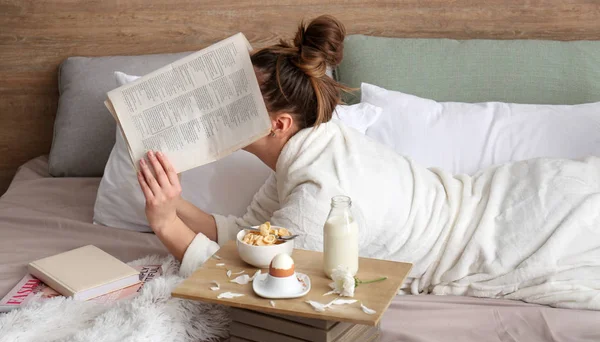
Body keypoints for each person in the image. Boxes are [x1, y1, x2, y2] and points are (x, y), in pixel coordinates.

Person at [136, 15, 600, 309]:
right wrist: (174, 204)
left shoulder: (322, 193)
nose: (217, 112)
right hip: (517, 193)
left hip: (523, 225)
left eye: (233, 102)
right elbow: (250, 235)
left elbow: (251, 282)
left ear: (277, 125)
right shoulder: (309, 149)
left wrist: (165, 225)